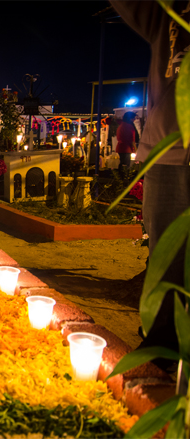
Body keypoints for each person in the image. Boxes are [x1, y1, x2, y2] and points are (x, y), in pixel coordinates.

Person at [109, 1, 190, 365]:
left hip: (163, 149)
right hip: (169, 150)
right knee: (166, 254)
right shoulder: (169, 10)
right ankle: (162, 345)